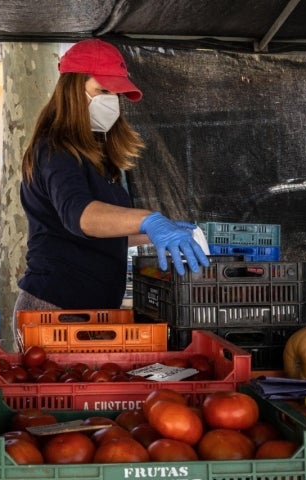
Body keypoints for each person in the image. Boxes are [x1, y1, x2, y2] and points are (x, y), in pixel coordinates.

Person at [14, 38, 209, 316]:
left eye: (115, 94)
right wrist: (148, 219)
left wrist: (154, 235)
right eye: (102, 90)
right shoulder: (55, 149)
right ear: (72, 89)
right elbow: (81, 217)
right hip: (55, 309)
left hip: (94, 310)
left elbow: (99, 231)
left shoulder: (96, 154)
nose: (111, 101)